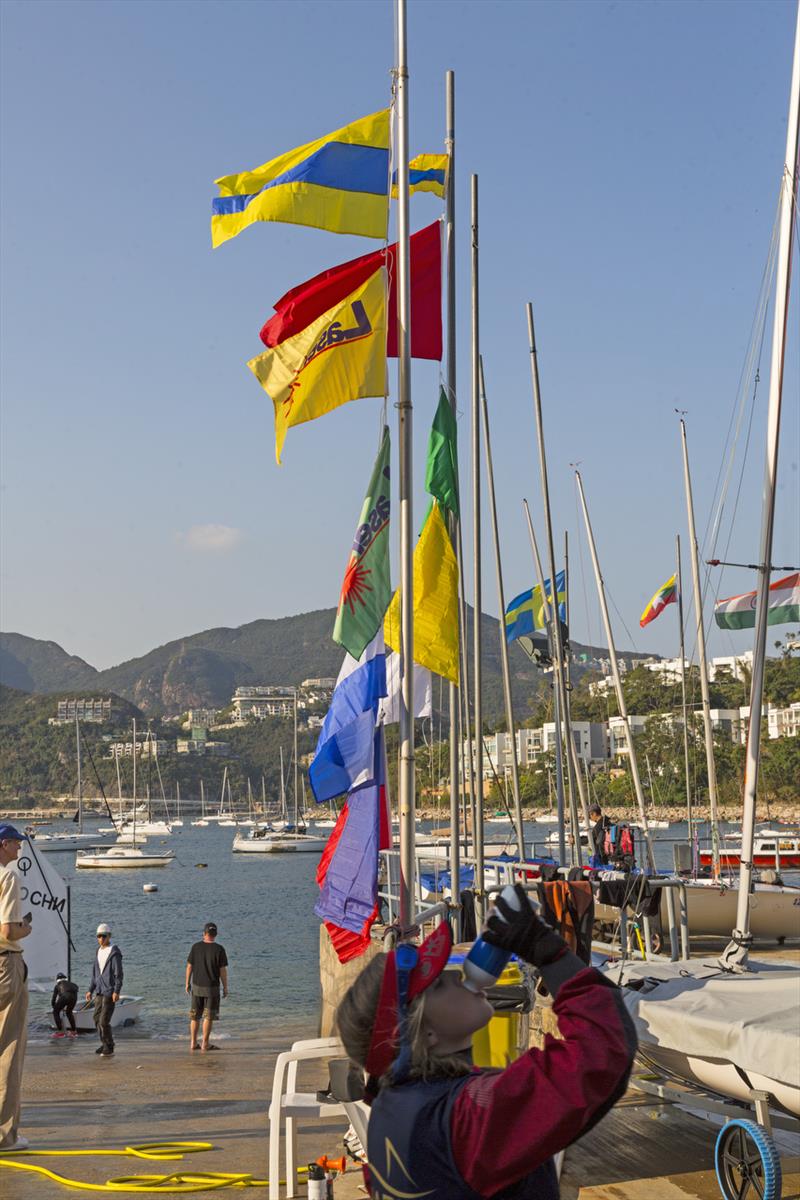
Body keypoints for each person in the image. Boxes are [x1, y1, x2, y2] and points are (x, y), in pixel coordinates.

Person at [336, 884, 637, 1199]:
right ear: (423, 1033)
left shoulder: (388, 1109)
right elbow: (601, 1053)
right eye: (438, 984)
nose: (456, 975)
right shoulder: (469, 1116)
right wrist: (545, 949)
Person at [0, 822, 33, 1150]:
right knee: (9, 1048)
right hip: (4, 964)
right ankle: (4, 1136)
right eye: (17, 844)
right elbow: (8, 931)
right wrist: (25, 929)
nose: (20, 849)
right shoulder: (7, 876)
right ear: (5, 844)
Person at [185, 922, 228, 1052]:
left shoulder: (195, 947)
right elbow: (222, 971)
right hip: (212, 988)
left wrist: (187, 983)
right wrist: (225, 987)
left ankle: (193, 1042)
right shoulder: (219, 949)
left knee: (195, 1016)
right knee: (208, 1017)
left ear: (204, 933)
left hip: (197, 986)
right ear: (216, 934)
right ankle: (205, 1043)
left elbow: (189, 966)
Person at [86, 922, 123, 1058]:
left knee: (103, 1020)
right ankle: (105, 1043)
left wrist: (116, 991)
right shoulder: (98, 951)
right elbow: (95, 973)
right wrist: (90, 989)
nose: (101, 939)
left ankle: (109, 1046)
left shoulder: (114, 952)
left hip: (109, 991)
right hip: (99, 990)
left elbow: (118, 974)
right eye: (99, 936)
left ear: (109, 936)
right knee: (96, 1017)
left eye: (103, 936)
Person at [51, 972, 79, 1037]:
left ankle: (60, 1032)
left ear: (57, 980)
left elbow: (53, 999)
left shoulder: (57, 986)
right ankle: (74, 1031)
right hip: (74, 997)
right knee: (69, 1012)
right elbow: (72, 992)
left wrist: (55, 1007)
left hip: (65, 997)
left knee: (55, 1012)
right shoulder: (72, 984)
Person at [589, 803, 611, 867]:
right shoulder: (607, 822)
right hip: (607, 854)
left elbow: (590, 838)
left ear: (594, 813)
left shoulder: (598, 826)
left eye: (590, 815)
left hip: (600, 856)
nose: (590, 817)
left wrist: (577, 840)